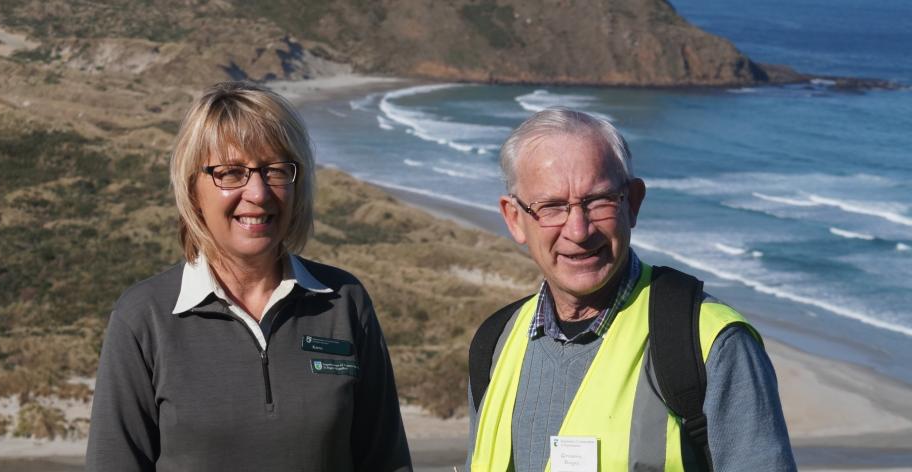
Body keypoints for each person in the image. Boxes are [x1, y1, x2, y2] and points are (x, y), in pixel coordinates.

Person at [86, 81, 412, 471]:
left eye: (275, 170)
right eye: (231, 173)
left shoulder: (343, 301)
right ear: (193, 188)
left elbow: (386, 462)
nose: (258, 193)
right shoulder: (144, 316)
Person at [466, 108, 795, 471]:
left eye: (598, 201)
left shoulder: (710, 344)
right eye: (553, 207)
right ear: (514, 218)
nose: (579, 230)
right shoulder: (494, 345)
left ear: (633, 202)